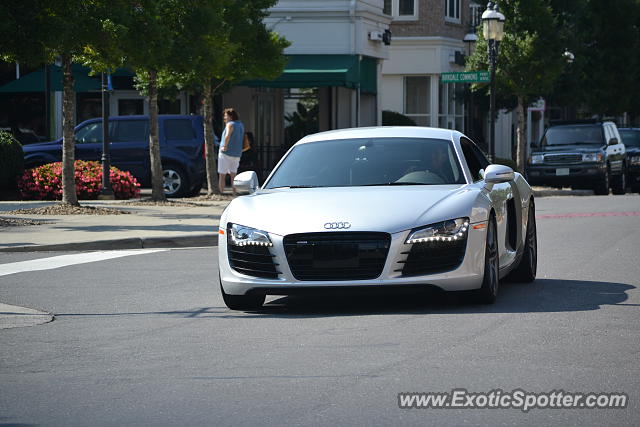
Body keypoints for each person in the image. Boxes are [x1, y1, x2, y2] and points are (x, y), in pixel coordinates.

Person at [218, 108, 244, 195]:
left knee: (222, 175)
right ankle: (234, 192)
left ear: (230, 116)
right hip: (237, 153)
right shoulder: (240, 125)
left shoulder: (230, 124)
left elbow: (227, 136)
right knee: (234, 175)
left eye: (226, 116)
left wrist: (224, 146)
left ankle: (221, 192)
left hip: (226, 153)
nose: (224, 118)